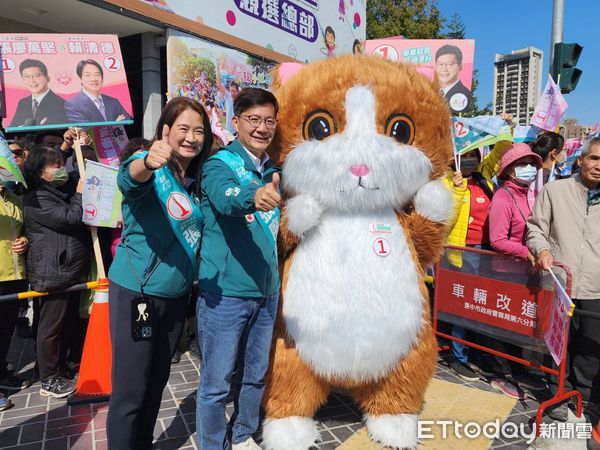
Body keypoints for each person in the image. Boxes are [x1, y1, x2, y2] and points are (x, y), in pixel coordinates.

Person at [106, 97, 212, 450]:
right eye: (183, 128)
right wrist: (148, 160)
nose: (191, 138)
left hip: (175, 297)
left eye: (199, 131)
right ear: (165, 130)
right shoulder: (152, 166)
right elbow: (131, 177)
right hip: (140, 293)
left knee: (155, 384)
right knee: (131, 388)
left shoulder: (196, 180)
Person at [196, 87, 280, 449]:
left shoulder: (273, 168)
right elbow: (224, 197)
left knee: (256, 375)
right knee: (216, 383)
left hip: (267, 289)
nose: (262, 128)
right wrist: (253, 196)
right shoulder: (219, 164)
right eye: (254, 120)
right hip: (226, 293)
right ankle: (213, 443)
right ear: (236, 123)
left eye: (269, 121)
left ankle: (244, 434)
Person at [527, 136, 600, 420]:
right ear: (580, 160)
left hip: (596, 287)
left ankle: (583, 396)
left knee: (589, 349)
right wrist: (542, 250)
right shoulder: (554, 191)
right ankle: (559, 393)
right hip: (561, 283)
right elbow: (535, 228)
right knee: (558, 345)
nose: (598, 166)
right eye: (594, 158)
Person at [23, 146, 91, 398]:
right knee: (51, 327)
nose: (61, 168)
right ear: (40, 172)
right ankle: (48, 379)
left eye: (61, 162)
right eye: (54, 165)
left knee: (64, 325)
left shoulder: (57, 192)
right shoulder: (37, 198)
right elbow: (70, 218)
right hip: (53, 272)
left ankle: (59, 369)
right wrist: (80, 194)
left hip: (67, 271)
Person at [442, 139, 511, 382]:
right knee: (464, 307)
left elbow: (502, 148)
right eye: (465, 155)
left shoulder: (483, 176)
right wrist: (457, 190)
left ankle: (480, 355)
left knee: (484, 307)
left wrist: (503, 127)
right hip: (463, 254)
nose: (470, 159)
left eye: (474, 153)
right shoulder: (447, 182)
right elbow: (445, 220)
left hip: (489, 251)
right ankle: (458, 357)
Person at [487, 144, 546, 397]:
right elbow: (497, 240)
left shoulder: (528, 194)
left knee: (517, 324)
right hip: (505, 272)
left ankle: (517, 369)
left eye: (532, 164)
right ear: (510, 170)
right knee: (503, 325)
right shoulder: (503, 196)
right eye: (523, 165)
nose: (529, 169)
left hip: (524, 272)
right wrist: (527, 253)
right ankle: (500, 374)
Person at [0, 180, 30, 393]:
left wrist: (25, 241)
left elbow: (22, 229)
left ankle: (1, 370)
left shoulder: (12, 198)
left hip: (15, 273)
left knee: (6, 327)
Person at [64, 59, 131, 124]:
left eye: (97, 75)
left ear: (102, 78)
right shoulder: (73, 104)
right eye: (88, 75)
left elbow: (128, 120)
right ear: (80, 78)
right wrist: (114, 124)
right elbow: (85, 130)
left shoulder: (113, 101)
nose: (93, 79)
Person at [9, 59, 68, 128]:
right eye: (26, 76)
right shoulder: (23, 103)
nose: (31, 80)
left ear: (47, 78)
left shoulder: (60, 104)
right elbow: (12, 128)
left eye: (36, 76)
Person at [435, 44, 473, 115]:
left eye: (450, 64)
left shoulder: (465, 94)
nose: (444, 69)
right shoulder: (429, 94)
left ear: (460, 66)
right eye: (440, 64)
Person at [215, 58, 240, 134]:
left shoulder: (240, 101)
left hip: (237, 132)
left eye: (234, 91)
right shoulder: (228, 96)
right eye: (231, 91)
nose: (232, 93)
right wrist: (218, 69)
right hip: (228, 131)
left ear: (238, 92)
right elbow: (219, 84)